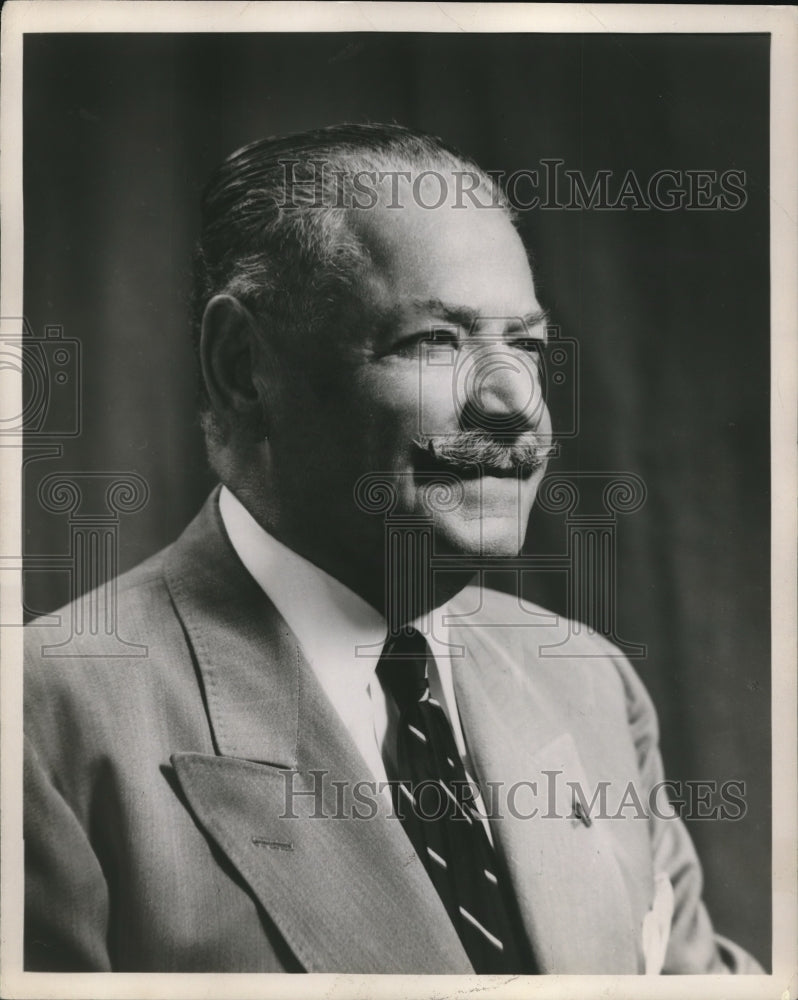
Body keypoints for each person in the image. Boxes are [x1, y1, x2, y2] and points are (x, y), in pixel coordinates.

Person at [24, 122, 762, 974]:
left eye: (525, 345)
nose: (513, 405)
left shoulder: (588, 683)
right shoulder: (45, 725)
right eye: (434, 342)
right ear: (242, 365)